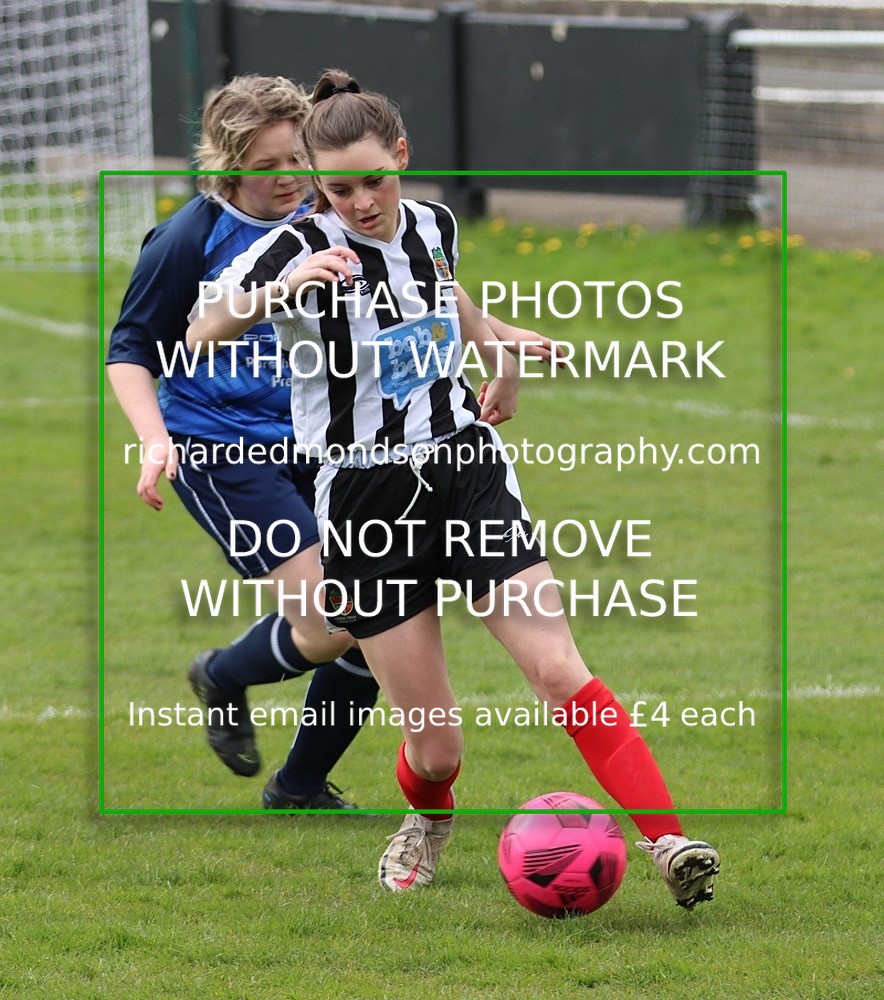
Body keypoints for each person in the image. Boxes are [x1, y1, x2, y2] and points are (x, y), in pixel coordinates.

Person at [186, 69, 720, 909]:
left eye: (375, 179)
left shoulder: (432, 223)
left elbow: (444, 295)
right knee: (434, 751)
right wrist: (279, 292)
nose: (361, 202)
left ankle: (669, 841)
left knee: (555, 665)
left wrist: (500, 353)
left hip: (464, 471)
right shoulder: (294, 245)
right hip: (365, 502)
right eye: (340, 188)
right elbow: (204, 322)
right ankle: (429, 819)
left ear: (403, 155)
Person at [106, 75, 377, 808]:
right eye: (267, 167)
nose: (289, 179)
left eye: (298, 161)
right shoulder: (189, 236)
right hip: (219, 444)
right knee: (329, 624)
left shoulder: (330, 212)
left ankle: (300, 786)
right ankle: (224, 674)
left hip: (322, 441)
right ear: (228, 166)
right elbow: (131, 349)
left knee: (388, 611)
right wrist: (153, 440)